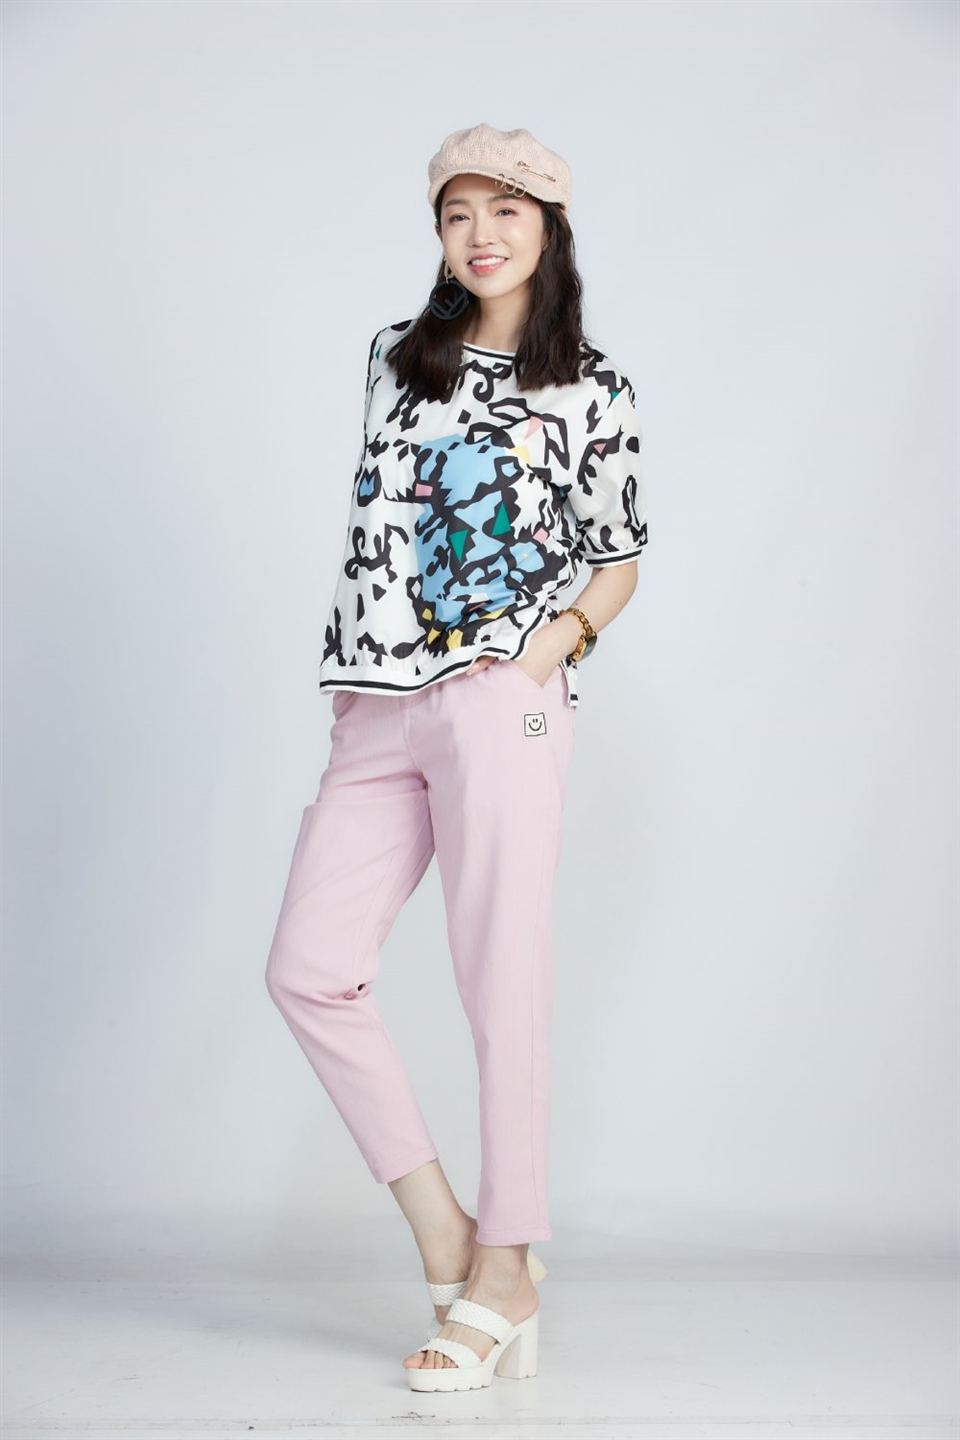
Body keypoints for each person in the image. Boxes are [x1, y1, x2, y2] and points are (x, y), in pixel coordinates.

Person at [265, 123, 648, 1393]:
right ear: (438, 233)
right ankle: (451, 1235)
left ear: (550, 229)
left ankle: (509, 1261)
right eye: (457, 213)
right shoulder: (393, 357)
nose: (481, 234)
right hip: (374, 704)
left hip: (499, 702)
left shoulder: (592, 389)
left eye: (507, 211)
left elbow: (619, 559)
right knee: (309, 970)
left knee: (501, 980)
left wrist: (542, 657)